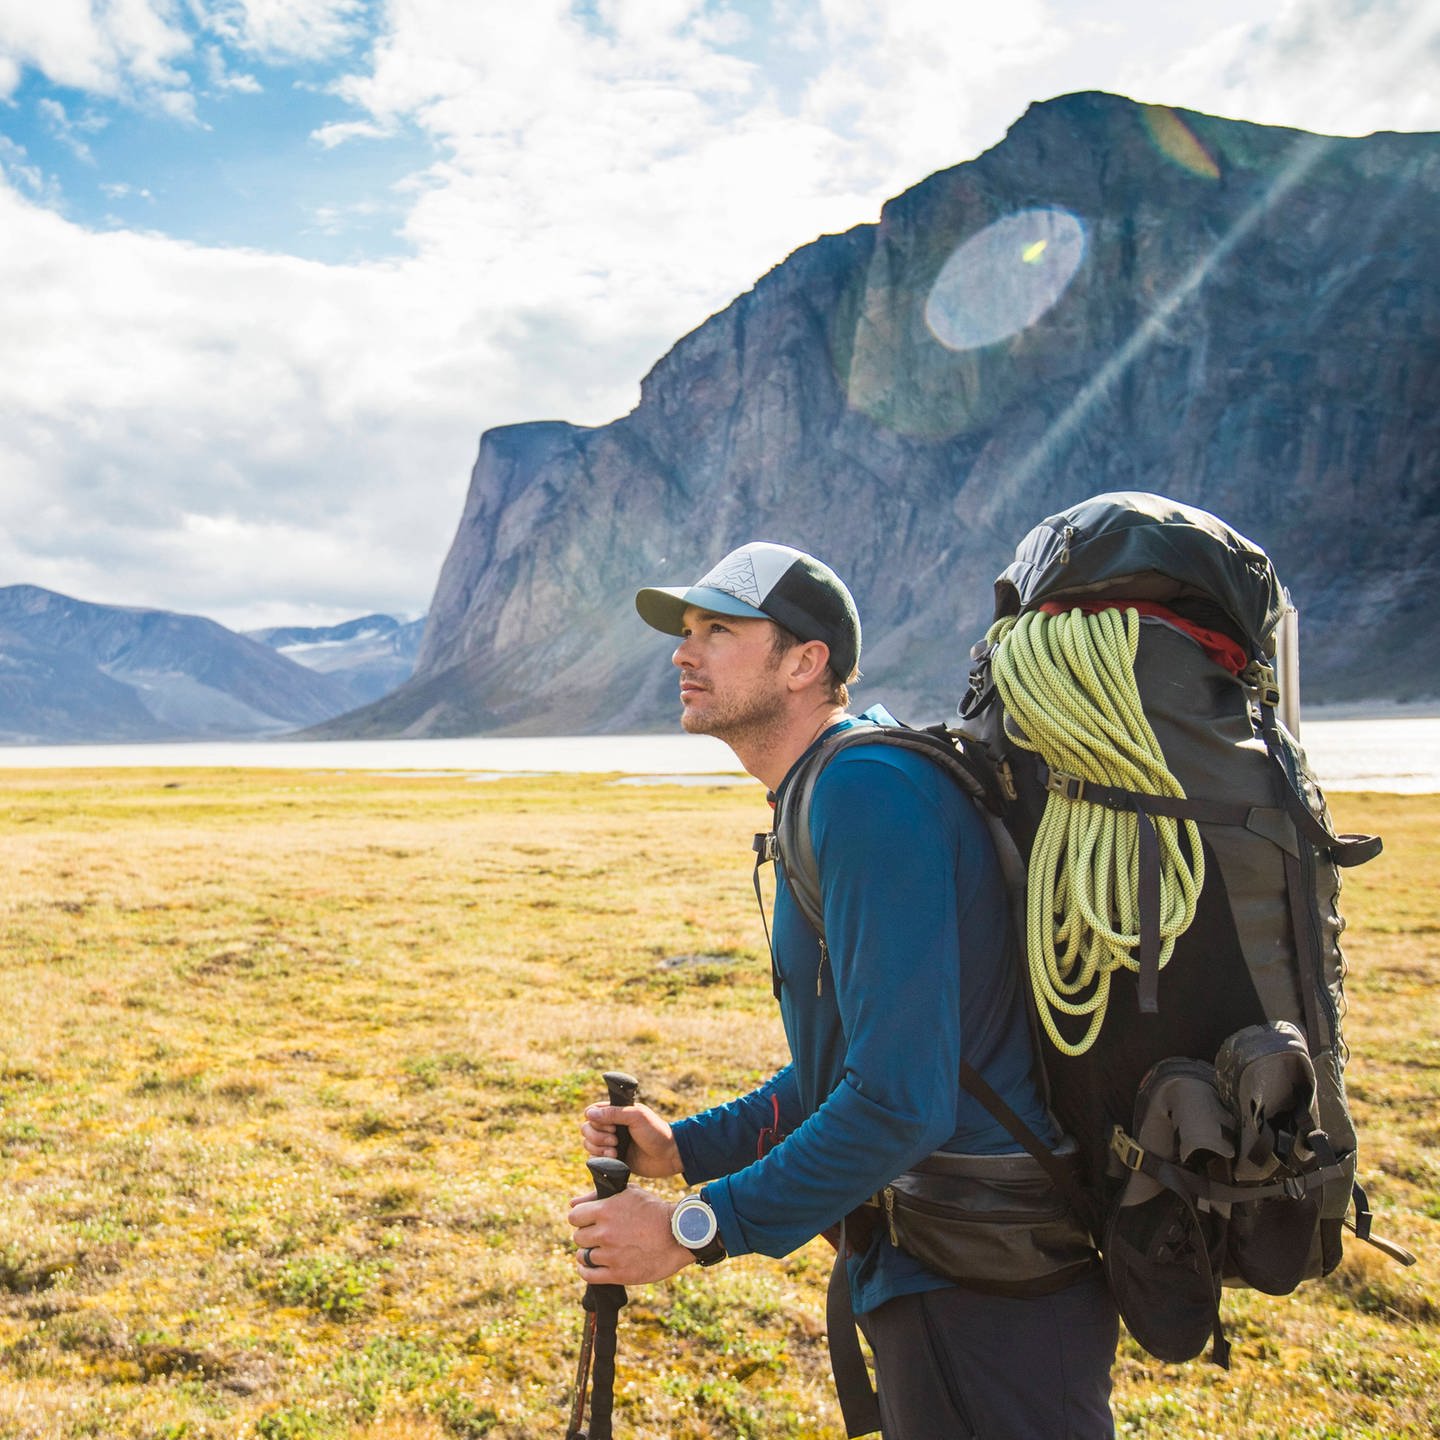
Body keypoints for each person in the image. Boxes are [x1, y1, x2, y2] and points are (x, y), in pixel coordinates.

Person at [566, 541, 1118, 1438]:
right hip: (940, 1263)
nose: (682, 651)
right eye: (686, 631)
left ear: (804, 663)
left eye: (718, 629)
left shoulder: (864, 793)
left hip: (988, 1287)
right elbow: (854, 1062)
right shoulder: (832, 786)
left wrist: (690, 1229)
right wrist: (683, 1149)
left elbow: (901, 1101)